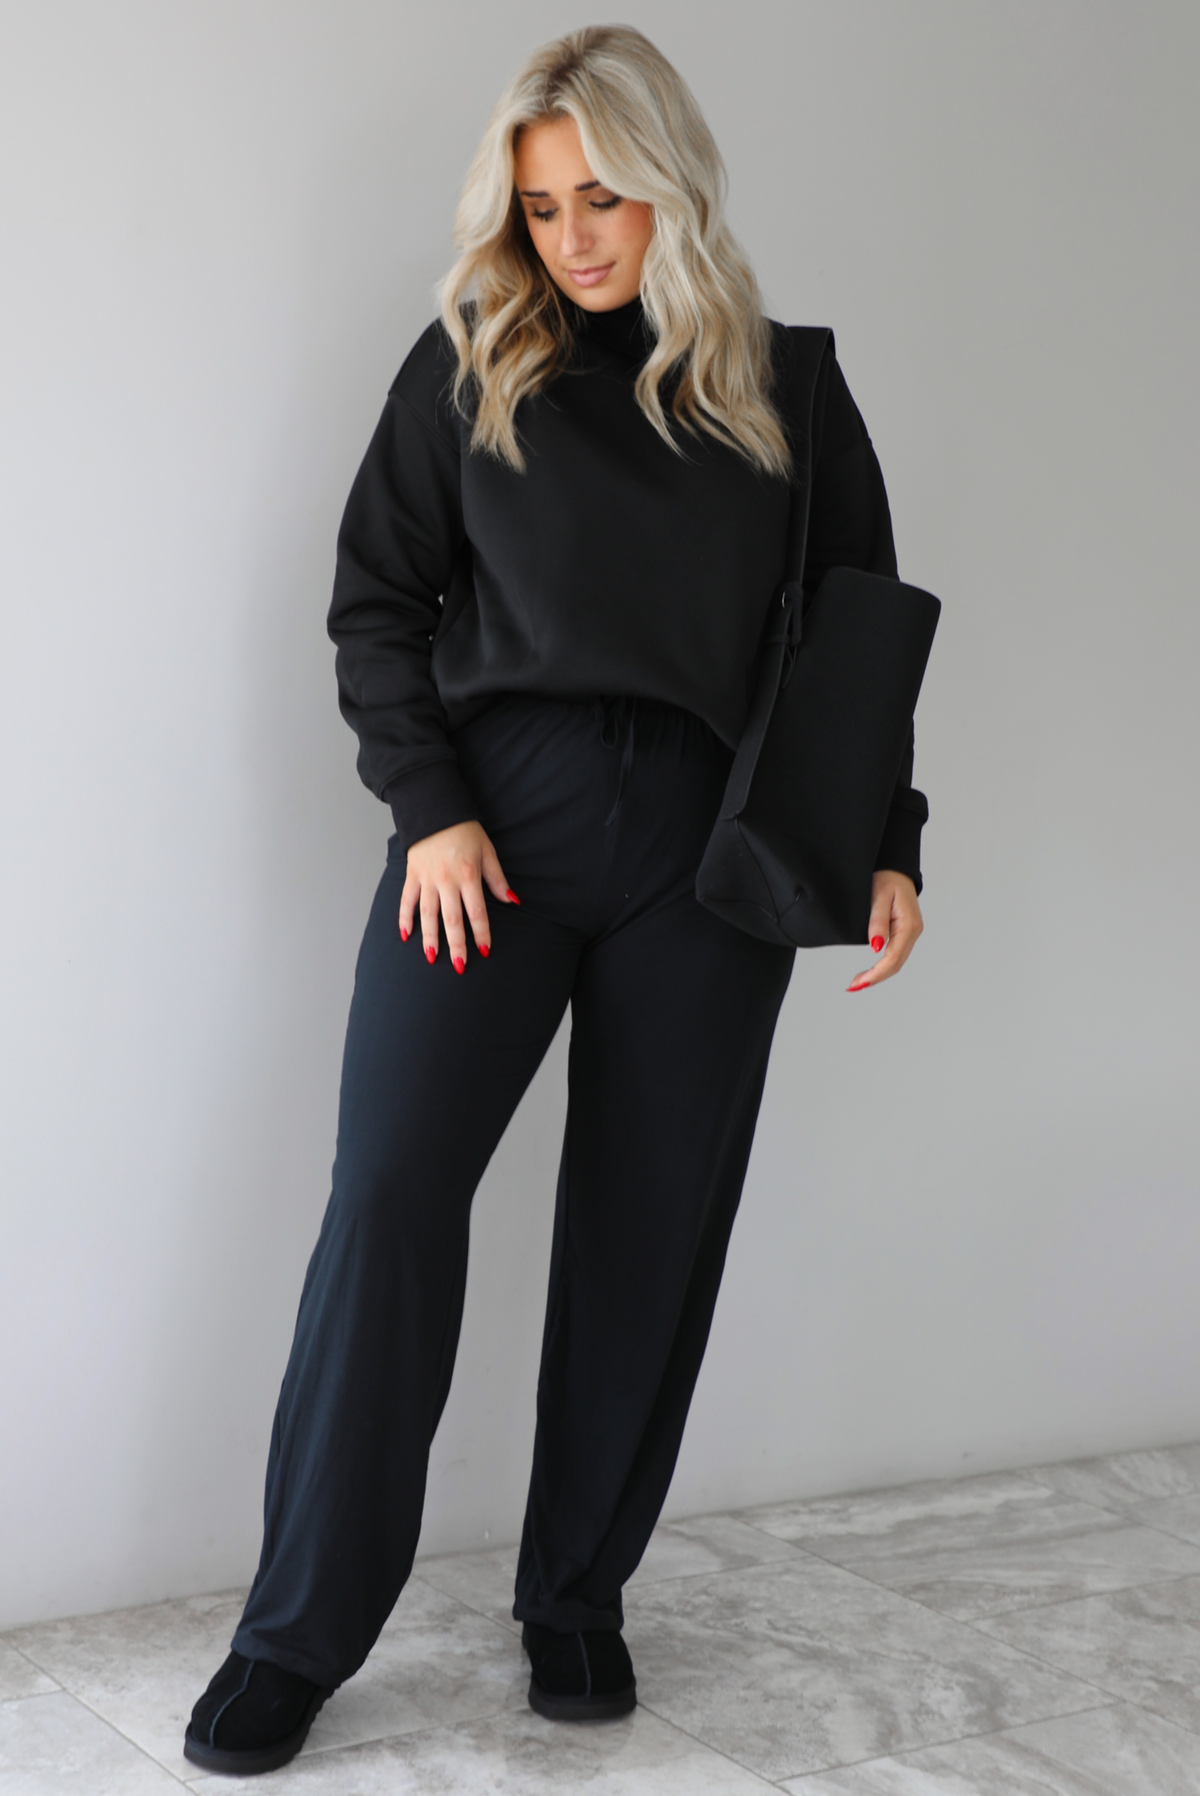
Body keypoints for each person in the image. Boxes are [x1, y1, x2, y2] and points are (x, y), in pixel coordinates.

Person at [183, 22, 927, 1777]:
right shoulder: (468, 365)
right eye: (539, 208)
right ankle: (296, 1633)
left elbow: (854, 643)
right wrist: (428, 812)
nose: (573, 238)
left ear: (671, 185)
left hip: (709, 855)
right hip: (490, 844)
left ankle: (576, 1598)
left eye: (603, 198)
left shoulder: (791, 393)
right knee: (389, 1210)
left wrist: (889, 838)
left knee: (646, 1236)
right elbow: (376, 605)